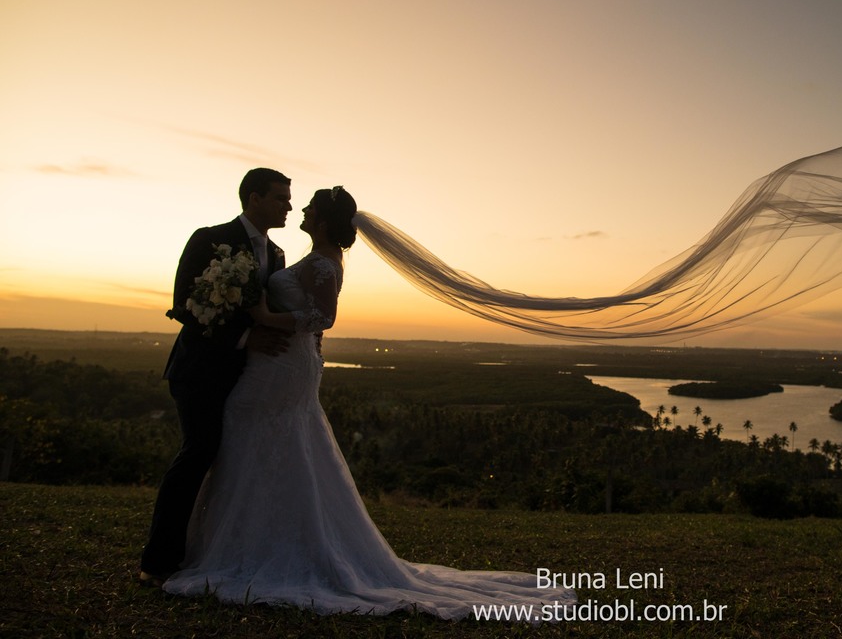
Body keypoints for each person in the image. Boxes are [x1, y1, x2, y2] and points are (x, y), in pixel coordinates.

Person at [162, 187, 575, 619]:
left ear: (321, 220)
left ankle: (255, 547)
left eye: (306, 206)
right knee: (259, 441)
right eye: (286, 199)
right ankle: (240, 541)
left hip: (283, 368)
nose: (297, 208)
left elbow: (323, 318)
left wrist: (266, 319)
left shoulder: (321, 262)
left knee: (257, 434)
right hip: (277, 365)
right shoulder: (290, 254)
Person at [140, 168, 292, 586]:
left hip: (248, 378)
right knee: (198, 452)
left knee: (239, 461)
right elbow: (183, 305)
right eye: (280, 198)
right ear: (253, 198)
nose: (288, 207)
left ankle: (222, 552)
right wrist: (245, 337)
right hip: (200, 370)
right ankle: (158, 562)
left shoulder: (277, 255)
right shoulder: (209, 239)